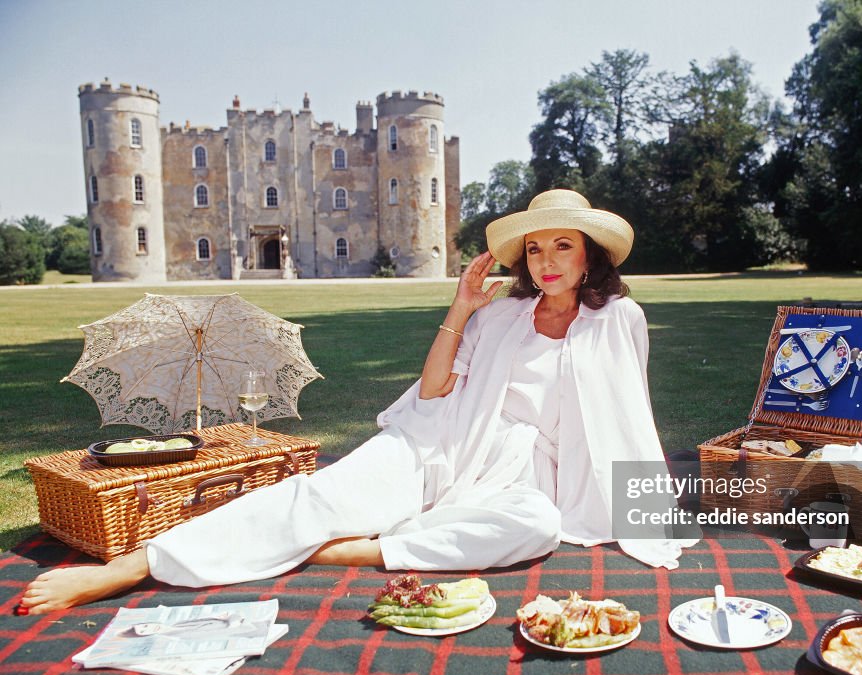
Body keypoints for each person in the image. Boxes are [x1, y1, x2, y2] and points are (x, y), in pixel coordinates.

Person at [19, 189, 692, 615]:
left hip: (525, 472)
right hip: (443, 437)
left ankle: (357, 551)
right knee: (318, 495)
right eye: (536, 248)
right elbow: (434, 392)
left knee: (538, 528)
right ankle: (136, 566)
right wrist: (460, 308)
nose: (546, 260)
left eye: (562, 246)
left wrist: (637, 500)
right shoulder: (498, 317)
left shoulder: (617, 319)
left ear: (589, 255)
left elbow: (624, 418)